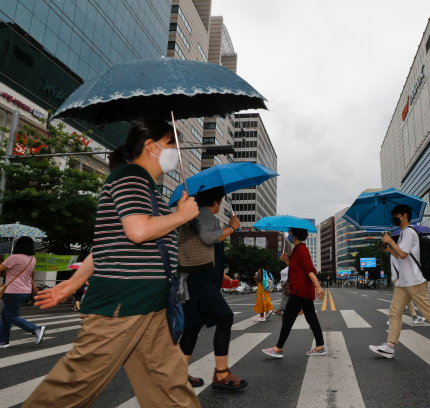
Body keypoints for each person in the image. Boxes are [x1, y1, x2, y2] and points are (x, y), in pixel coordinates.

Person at [24, 117, 201, 407]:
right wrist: (180, 216)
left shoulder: (146, 185)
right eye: (172, 144)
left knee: (169, 388)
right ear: (150, 146)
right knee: (71, 388)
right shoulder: (131, 177)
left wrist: (71, 284)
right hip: (122, 303)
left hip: (148, 303)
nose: (176, 154)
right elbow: (138, 231)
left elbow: (106, 247)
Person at [370, 205, 430, 360]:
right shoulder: (404, 233)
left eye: (396, 215)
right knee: (394, 312)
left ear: (405, 215)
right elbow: (401, 257)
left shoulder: (409, 231)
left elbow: (403, 254)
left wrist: (390, 240)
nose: (394, 218)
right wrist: (390, 250)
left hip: (415, 280)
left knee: (427, 312)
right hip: (404, 281)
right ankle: (390, 347)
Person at [178, 187, 246, 390]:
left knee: (192, 327)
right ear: (215, 202)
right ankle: (221, 373)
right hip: (201, 280)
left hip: (194, 278)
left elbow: (202, 246)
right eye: (220, 202)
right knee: (224, 317)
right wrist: (232, 227)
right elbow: (209, 238)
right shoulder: (205, 213)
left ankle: (178, 375)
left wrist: (220, 273)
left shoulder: (194, 211)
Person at [262, 227, 325, 358]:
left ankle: (278, 348)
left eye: (290, 234)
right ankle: (320, 347)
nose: (288, 236)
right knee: (311, 318)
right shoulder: (297, 250)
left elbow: (309, 269)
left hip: (300, 290)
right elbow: (298, 267)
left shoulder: (301, 249)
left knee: (288, 317)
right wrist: (286, 261)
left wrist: (318, 286)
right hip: (302, 290)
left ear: (295, 236)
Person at [0, 237, 44, 348]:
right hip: (24, 290)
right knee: (5, 316)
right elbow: (29, 275)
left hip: (13, 291)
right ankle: (3, 341)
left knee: (11, 316)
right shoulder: (32, 259)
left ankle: (35, 329)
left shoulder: (14, 257)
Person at [385, 236, 426, 325]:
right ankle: (392, 318)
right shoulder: (397, 250)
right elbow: (403, 261)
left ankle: (414, 317)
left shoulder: (395, 251)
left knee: (406, 299)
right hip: (400, 277)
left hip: (398, 277)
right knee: (400, 300)